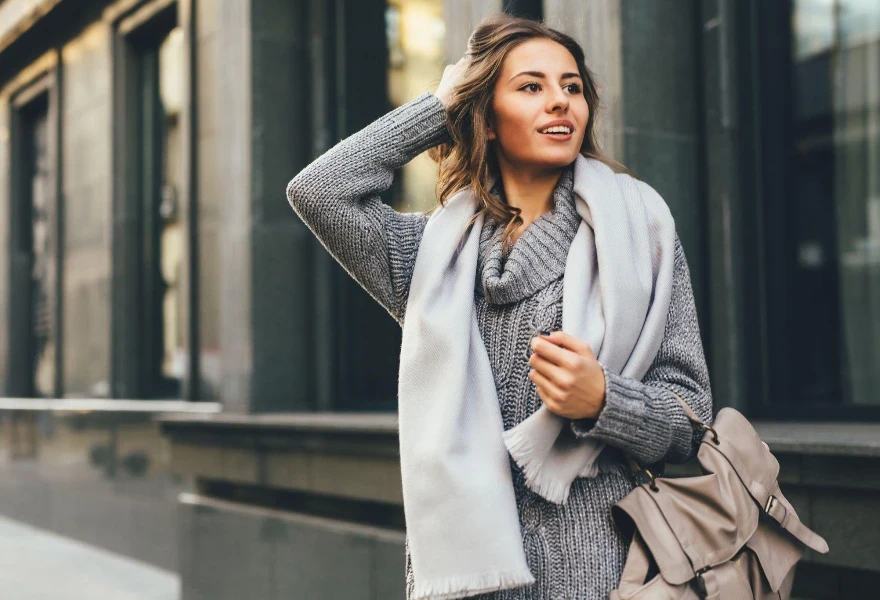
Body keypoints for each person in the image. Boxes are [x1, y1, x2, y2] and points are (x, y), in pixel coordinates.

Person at [286, 12, 712, 600]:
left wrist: (606, 399)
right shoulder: (429, 259)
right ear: (486, 119)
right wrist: (441, 104)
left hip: (606, 575)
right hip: (468, 581)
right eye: (531, 86)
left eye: (572, 87)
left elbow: (691, 423)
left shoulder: (640, 230)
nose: (560, 101)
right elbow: (318, 190)